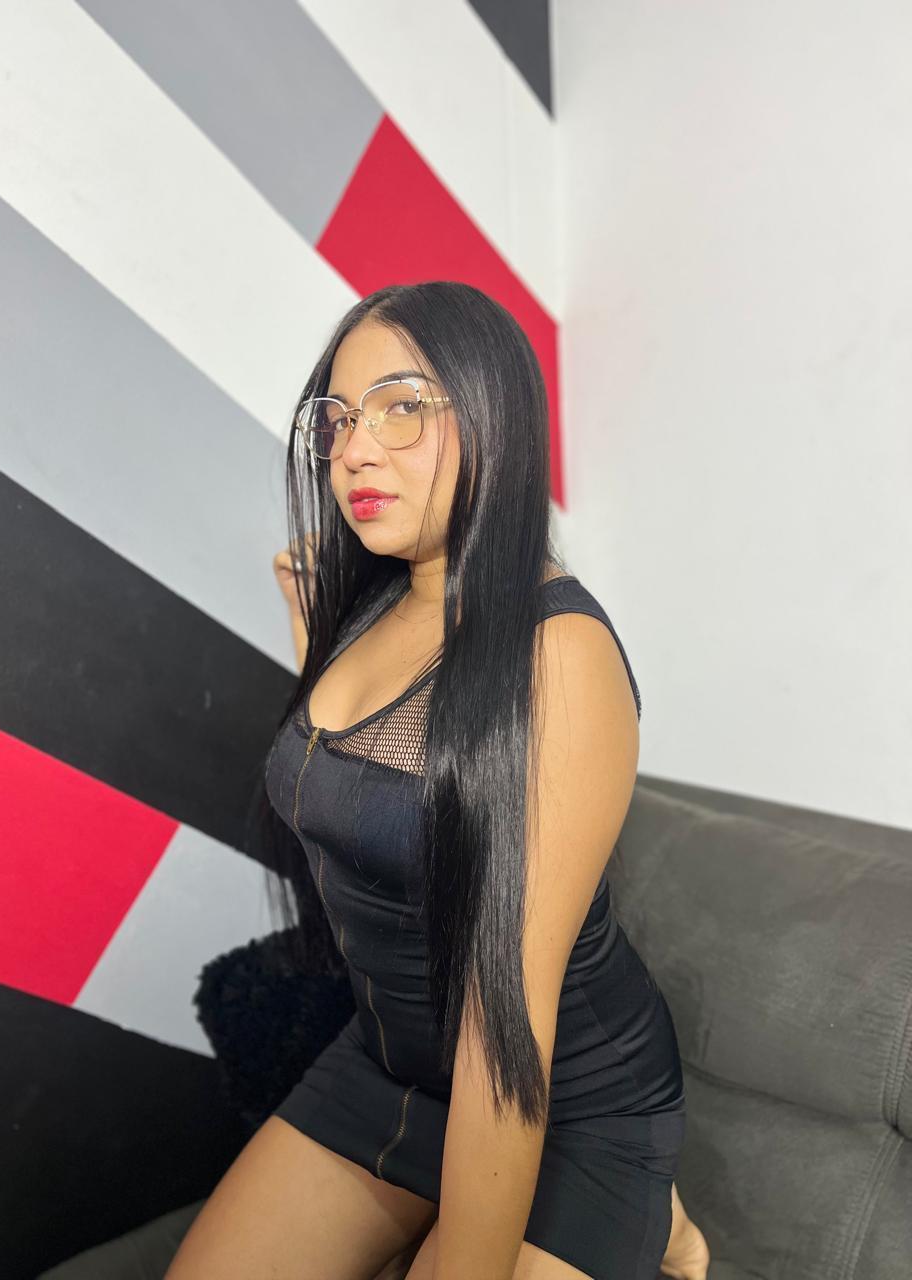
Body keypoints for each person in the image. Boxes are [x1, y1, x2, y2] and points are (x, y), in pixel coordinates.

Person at [164, 282, 709, 1280]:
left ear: (493, 415)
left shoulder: (559, 657)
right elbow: (359, 795)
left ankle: (653, 1214)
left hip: (558, 1103)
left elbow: (504, 1030)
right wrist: (314, 636)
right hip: (389, 1063)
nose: (354, 450)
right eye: (338, 418)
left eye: (402, 406)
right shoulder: (370, 602)